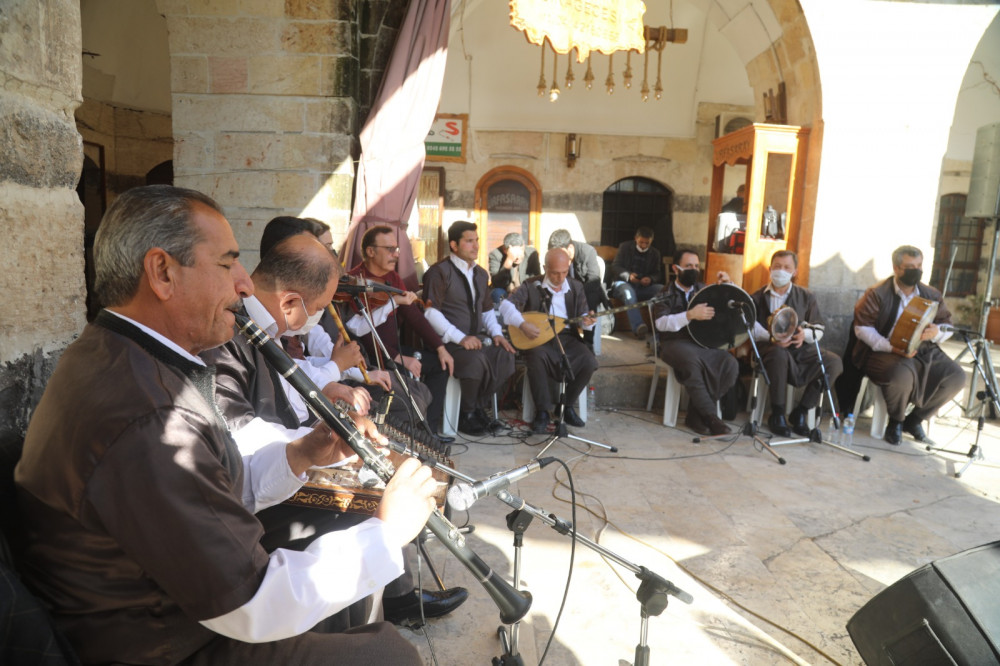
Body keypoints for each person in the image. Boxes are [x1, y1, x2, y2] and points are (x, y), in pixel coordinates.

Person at [14, 185, 432, 665]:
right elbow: (250, 603)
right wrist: (386, 530)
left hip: (172, 614)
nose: (246, 284)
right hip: (164, 644)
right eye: (227, 263)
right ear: (162, 273)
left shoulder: (126, 357)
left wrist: (301, 453)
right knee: (387, 656)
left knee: (365, 629)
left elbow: (213, 488)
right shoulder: (146, 412)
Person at [204, 229, 468, 627]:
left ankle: (382, 607)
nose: (239, 284)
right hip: (255, 508)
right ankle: (363, 626)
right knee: (364, 507)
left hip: (283, 457)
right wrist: (314, 448)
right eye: (227, 265)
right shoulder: (222, 338)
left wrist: (320, 440)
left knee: (383, 473)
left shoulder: (255, 329)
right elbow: (241, 443)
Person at [346, 224, 456, 440]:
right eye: (389, 249)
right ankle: (408, 434)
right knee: (405, 387)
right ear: (370, 251)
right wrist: (397, 357)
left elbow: (414, 317)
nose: (395, 254)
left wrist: (440, 347)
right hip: (374, 356)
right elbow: (361, 333)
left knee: (439, 365)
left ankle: (428, 433)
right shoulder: (354, 282)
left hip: (394, 351)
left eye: (396, 249)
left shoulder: (393, 278)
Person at [852, 245, 965, 445]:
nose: (916, 270)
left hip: (923, 349)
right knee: (901, 376)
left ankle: (915, 420)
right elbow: (862, 329)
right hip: (884, 351)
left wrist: (936, 332)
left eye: (919, 265)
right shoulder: (877, 293)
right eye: (910, 266)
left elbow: (947, 325)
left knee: (956, 376)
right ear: (896, 268)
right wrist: (890, 347)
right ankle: (896, 421)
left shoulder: (931, 294)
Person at [422, 221, 517, 436]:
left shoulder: (481, 274)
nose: (475, 246)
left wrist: (497, 334)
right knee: (475, 361)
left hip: (475, 339)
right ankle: (466, 414)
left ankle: (477, 407)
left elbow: (486, 311)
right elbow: (430, 312)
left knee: (505, 355)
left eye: (477, 241)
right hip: (447, 344)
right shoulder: (439, 272)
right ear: (454, 245)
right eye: (469, 241)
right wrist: (460, 338)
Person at [499, 248, 599, 432]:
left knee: (589, 361)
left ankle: (566, 406)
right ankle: (542, 411)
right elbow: (505, 306)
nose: (560, 278)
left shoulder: (575, 287)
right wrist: (522, 324)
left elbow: (584, 318)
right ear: (545, 268)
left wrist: (587, 321)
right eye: (554, 273)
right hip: (538, 338)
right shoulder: (531, 285)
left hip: (567, 337)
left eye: (564, 272)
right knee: (536, 358)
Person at [750, 250, 843, 437]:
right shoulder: (757, 298)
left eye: (786, 267)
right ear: (770, 269)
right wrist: (772, 339)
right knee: (778, 355)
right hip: (770, 350)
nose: (781, 271)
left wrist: (804, 335)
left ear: (795, 272)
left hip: (800, 350)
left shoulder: (806, 296)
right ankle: (777, 414)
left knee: (833, 362)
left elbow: (819, 328)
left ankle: (801, 411)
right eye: (777, 267)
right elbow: (749, 327)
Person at [652, 247, 737, 436]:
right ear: (676, 269)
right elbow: (661, 323)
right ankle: (712, 417)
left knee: (729, 363)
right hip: (673, 344)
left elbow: (728, 308)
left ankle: (696, 414)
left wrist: (728, 286)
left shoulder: (704, 290)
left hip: (701, 344)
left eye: (697, 266)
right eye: (688, 266)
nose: (694, 269)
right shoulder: (664, 293)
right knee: (692, 363)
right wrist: (689, 315)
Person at [611, 226, 664, 338]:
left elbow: (657, 274)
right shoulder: (624, 247)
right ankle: (639, 327)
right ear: (636, 238)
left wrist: (650, 279)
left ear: (651, 241)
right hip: (623, 284)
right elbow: (615, 266)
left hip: (643, 287)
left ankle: (662, 328)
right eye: (641, 242)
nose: (644, 246)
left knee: (662, 290)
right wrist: (628, 276)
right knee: (628, 293)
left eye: (647, 243)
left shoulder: (655, 253)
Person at [488, 231, 538, 305]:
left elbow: (536, 279)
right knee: (497, 293)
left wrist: (521, 289)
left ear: (523, 247)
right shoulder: (495, 254)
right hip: (505, 292)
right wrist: (509, 259)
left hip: (524, 290)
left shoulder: (531, 253)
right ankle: (499, 316)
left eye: (520, 252)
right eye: (515, 253)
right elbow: (497, 284)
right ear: (505, 250)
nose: (517, 257)